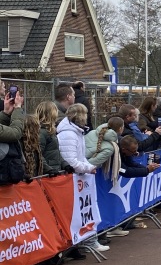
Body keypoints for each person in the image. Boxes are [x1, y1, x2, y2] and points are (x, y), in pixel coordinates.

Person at [57, 104, 105, 252]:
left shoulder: (77, 132)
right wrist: (88, 168)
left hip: (80, 177)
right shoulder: (69, 134)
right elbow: (71, 160)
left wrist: (88, 166)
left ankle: (89, 240)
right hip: (72, 179)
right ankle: (83, 243)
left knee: (86, 211)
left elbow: (80, 156)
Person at [37, 101, 73, 173]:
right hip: (48, 175)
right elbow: (38, 155)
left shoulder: (51, 131)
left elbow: (55, 153)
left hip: (55, 171)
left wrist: (65, 165)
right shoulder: (42, 133)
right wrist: (49, 169)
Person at [21, 115, 51, 179]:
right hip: (25, 181)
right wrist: (23, 175)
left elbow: (40, 159)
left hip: (35, 178)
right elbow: (20, 162)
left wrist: (49, 170)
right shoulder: (20, 143)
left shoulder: (35, 142)